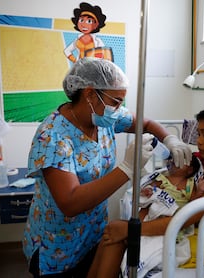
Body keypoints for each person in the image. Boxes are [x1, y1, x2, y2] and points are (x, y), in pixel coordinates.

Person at [22, 57, 192, 277]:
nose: (119, 108)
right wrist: (127, 168)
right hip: (57, 245)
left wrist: (170, 139)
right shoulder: (52, 137)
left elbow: (146, 123)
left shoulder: (104, 116)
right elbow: (70, 203)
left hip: (92, 232)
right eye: (116, 101)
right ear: (90, 94)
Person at [88, 104, 204, 277]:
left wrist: (131, 229)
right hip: (185, 227)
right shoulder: (198, 161)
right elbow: (169, 179)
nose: (199, 141)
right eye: (198, 134)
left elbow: (184, 217)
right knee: (112, 232)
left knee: (121, 238)